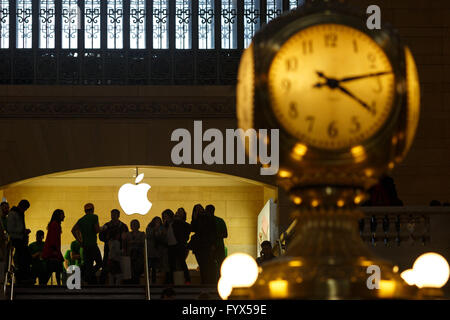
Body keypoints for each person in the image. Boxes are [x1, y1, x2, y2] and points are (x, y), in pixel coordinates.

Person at [71, 203, 102, 284]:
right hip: (93, 245)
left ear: (85, 211)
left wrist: (79, 241)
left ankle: (85, 278)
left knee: (88, 265)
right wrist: (103, 228)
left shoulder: (81, 220)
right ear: (93, 209)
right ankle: (86, 277)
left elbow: (73, 230)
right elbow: (96, 230)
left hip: (85, 246)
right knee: (99, 263)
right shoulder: (94, 217)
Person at [99, 209, 128, 284]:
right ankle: (105, 283)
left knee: (118, 266)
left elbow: (126, 238)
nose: (113, 216)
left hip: (119, 250)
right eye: (112, 214)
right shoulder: (107, 225)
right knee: (106, 266)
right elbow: (101, 236)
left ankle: (117, 283)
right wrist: (108, 239)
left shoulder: (123, 226)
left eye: (115, 214)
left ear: (118, 215)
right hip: (108, 249)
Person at [7, 199, 32, 284]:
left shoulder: (19, 213)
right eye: (25, 208)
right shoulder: (13, 214)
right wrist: (23, 231)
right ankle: (21, 277)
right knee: (21, 258)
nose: (25, 210)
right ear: (21, 206)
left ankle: (24, 277)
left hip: (20, 239)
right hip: (16, 239)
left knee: (25, 258)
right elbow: (10, 228)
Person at [190, 204, 216, 284]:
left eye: (199, 208)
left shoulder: (207, 218)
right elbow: (193, 229)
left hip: (205, 244)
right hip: (201, 245)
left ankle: (208, 281)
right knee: (203, 264)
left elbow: (211, 231)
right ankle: (206, 281)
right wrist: (194, 219)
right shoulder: (199, 219)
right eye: (196, 209)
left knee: (206, 264)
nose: (198, 211)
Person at [42, 209, 65, 285]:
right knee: (54, 269)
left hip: (53, 250)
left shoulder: (54, 224)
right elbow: (53, 238)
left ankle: (45, 284)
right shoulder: (55, 224)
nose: (64, 216)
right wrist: (55, 250)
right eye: (62, 214)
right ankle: (58, 285)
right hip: (53, 251)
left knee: (51, 270)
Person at [205, 204, 228, 281]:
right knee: (220, 264)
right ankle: (219, 280)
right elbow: (225, 234)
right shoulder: (220, 221)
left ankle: (211, 280)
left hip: (211, 246)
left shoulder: (206, 221)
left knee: (210, 265)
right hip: (218, 246)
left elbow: (225, 234)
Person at [171, 208, 191, 284]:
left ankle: (187, 279)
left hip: (181, 244)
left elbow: (186, 234)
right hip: (176, 244)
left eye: (181, 212)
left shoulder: (184, 225)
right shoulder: (175, 223)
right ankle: (184, 279)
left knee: (181, 262)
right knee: (177, 262)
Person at [123, 219, 146, 284]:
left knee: (137, 270)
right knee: (130, 270)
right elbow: (124, 244)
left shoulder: (142, 234)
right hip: (129, 255)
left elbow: (143, 243)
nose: (134, 226)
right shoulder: (127, 234)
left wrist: (132, 243)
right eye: (133, 224)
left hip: (139, 255)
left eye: (135, 224)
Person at [146, 216, 165, 284]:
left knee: (155, 267)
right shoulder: (149, 228)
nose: (157, 223)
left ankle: (154, 281)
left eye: (158, 221)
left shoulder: (162, 228)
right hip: (150, 250)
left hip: (157, 251)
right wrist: (154, 230)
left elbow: (162, 237)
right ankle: (147, 280)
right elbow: (148, 236)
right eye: (156, 221)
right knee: (148, 266)